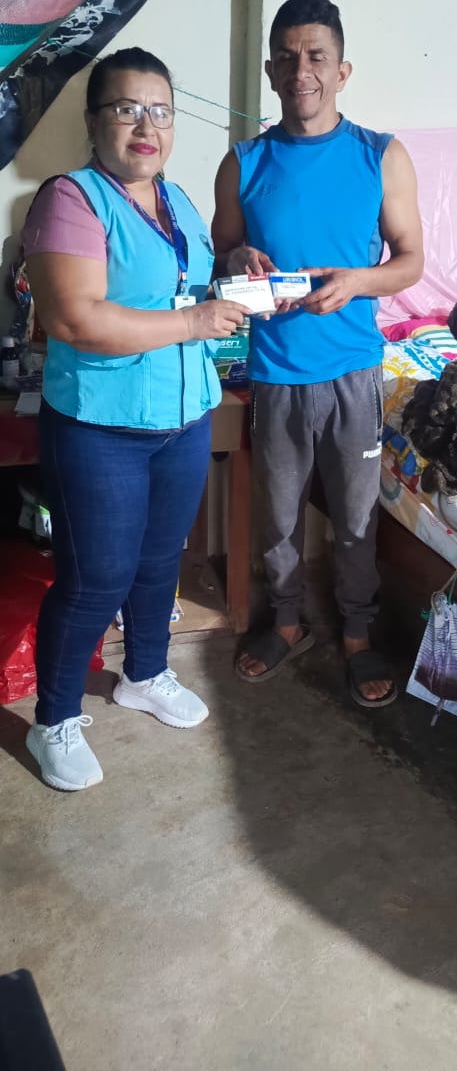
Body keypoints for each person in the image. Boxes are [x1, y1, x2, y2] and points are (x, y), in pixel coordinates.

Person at [22, 47, 248, 791]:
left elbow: (181, 288)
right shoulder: (71, 199)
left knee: (158, 563)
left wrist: (234, 271)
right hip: (101, 431)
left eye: (161, 111)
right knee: (95, 578)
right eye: (127, 109)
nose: (146, 126)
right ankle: (54, 719)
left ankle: (144, 674)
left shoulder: (177, 200)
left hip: (182, 420)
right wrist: (194, 322)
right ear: (94, 122)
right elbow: (74, 318)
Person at [212, 0, 424, 709]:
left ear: (342, 70)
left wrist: (359, 280)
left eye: (316, 56)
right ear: (271, 71)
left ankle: (358, 634)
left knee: (357, 516)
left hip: (354, 374)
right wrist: (238, 259)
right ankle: (288, 621)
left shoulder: (380, 156)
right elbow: (222, 256)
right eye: (287, 57)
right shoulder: (244, 162)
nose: (301, 70)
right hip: (275, 371)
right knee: (277, 516)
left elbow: (411, 261)